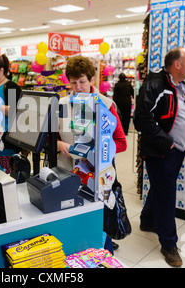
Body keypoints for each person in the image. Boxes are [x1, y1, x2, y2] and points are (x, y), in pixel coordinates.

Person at [133, 47, 185, 267]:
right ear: (177, 64)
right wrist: (167, 143)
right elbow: (141, 119)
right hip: (161, 151)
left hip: (176, 150)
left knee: (161, 186)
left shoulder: (180, 86)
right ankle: (169, 244)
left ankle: (147, 221)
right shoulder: (155, 84)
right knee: (166, 194)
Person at [57, 56, 127, 253]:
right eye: (73, 82)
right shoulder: (62, 105)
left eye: (82, 82)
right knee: (74, 230)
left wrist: (96, 150)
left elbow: (121, 143)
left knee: (98, 229)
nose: (78, 87)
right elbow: (50, 140)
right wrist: (61, 145)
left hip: (97, 179)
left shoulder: (106, 104)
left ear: (91, 80)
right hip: (67, 175)